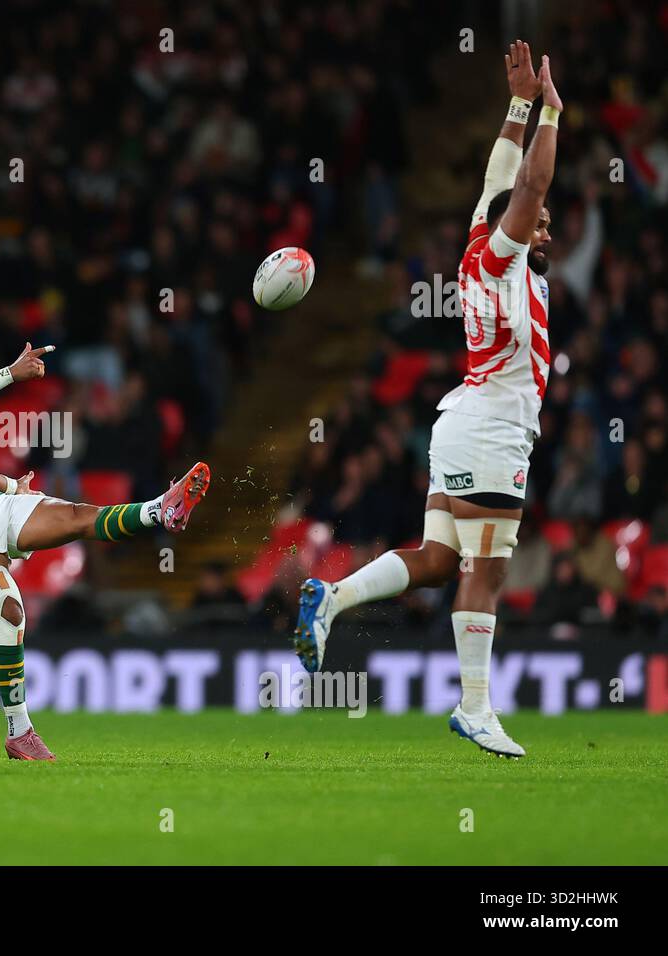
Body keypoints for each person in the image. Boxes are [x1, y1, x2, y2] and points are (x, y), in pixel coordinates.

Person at [292, 42, 565, 758]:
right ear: (515, 227)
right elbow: (527, 186)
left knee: (441, 561)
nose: (547, 228)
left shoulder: (481, 237)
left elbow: (501, 179)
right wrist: (552, 116)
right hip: (494, 426)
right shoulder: (505, 254)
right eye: (539, 223)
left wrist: (515, 105)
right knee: (487, 570)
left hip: (462, 423)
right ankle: (476, 707)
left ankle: (335, 598)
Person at [0, 321, 211, 760]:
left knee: (78, 517)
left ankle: (161, 509)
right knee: (10, 611)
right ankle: (18, 731)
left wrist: (11, 488)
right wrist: (8, 374)